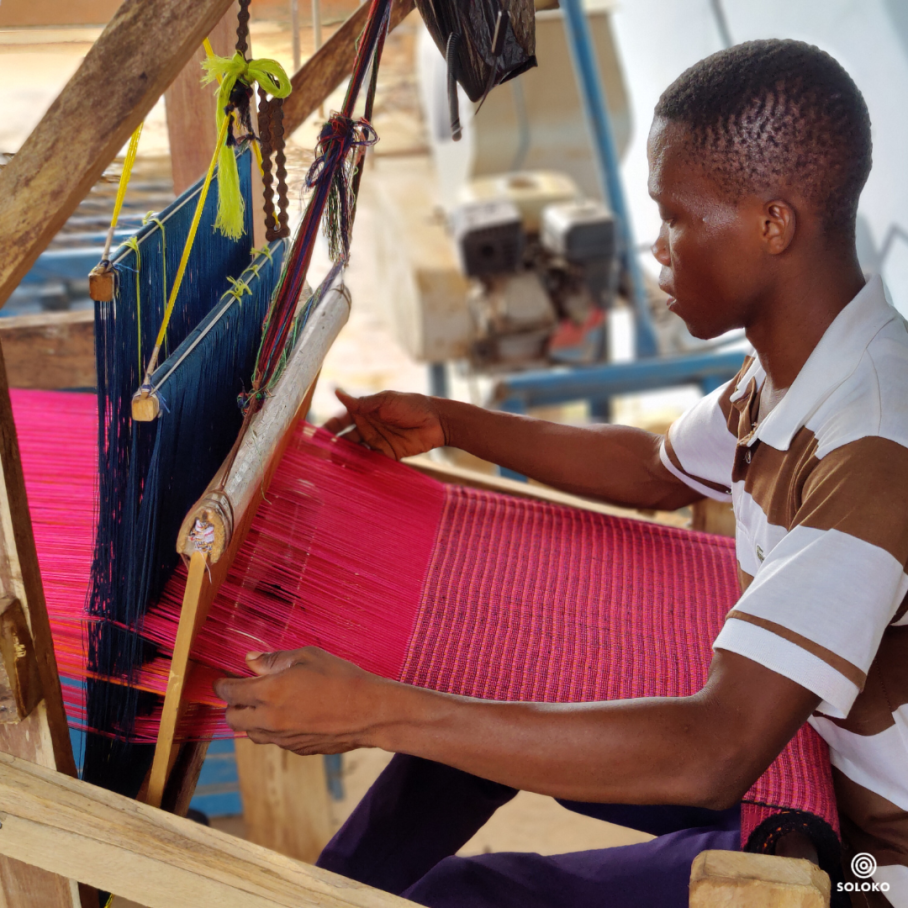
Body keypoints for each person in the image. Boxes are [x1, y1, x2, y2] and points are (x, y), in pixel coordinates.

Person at [215, 39, 907, 907]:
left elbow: (713, 750)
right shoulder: (802, 371)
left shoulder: (874, 445)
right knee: (460, 723)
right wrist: (454, 423)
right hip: (796, 750)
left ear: (774, 225)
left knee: (470, 894)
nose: (657, 249)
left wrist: (374, 709)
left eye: (678, 218)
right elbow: (656, 469)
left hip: (870, 864)